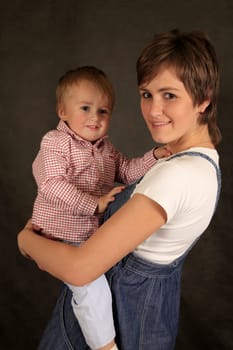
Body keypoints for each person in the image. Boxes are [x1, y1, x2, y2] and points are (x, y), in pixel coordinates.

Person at [18, 29, 222, 350]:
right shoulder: (204, 164)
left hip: (121, 323)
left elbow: (80, 267)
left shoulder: (178, 174)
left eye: (169, 95)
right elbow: (55, 182)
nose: (154, 111)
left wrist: (26, 239)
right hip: (134, 315)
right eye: (146, 94)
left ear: (203, 98)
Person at [30, 66, 169, 350]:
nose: (95, 117)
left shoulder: (106, 149)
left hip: (87, 234)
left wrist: (154, 156)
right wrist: (94, 204)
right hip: (58, 230)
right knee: (89, 285)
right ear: (62, 112)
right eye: (85, 108)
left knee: (103, 285)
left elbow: (129, 171)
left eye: (103, 111)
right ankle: (105, 346)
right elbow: (52, 184)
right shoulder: (55, 142)